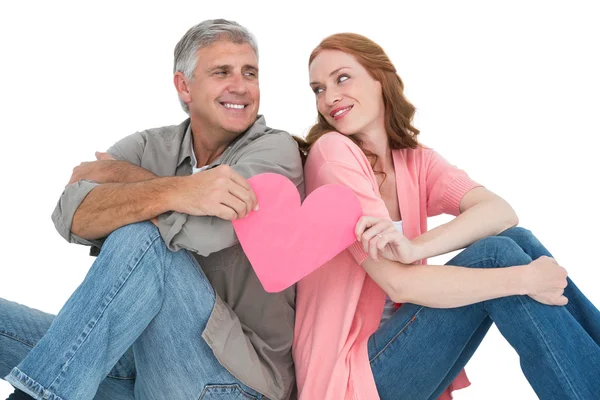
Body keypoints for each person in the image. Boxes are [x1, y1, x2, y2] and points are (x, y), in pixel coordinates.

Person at [0, 19, 303, 400]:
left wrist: (122, 183)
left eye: (250, 72)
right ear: (184, 86)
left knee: (142, 237)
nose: (240, 86)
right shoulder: (149, 146)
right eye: (222, 72)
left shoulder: (275, 152)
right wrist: (183, 191)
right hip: (144, 368)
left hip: (233, 383)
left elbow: (209, 231)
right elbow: (72, 214)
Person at [292, 33, 600, 400]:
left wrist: (414, 246)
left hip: (398, 358)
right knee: (497, 258)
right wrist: (523, 279)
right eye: (317, 89)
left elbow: (501, 213)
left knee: (516, 242)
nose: (329, 98)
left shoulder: (414, 161)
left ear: (380, 77)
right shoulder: (332, 155)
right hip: (350, 380)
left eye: (341, 78)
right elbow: (399, 284)